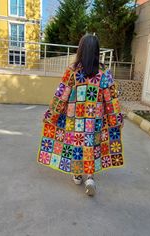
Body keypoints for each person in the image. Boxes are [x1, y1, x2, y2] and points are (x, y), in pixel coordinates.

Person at [37, 34, 124, 196]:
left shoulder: (72, 71)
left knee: (77, 146)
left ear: (81, 49)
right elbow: (111, 99)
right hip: (95, 119)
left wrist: (51, 115)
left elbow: (61, 95)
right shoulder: (104, 72)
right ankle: (90, 177)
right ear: (97, 51)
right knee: (91, 145)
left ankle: (77, 175)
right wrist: (116, 119)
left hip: (74, 119)